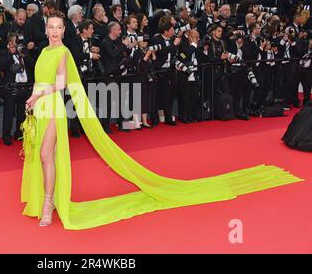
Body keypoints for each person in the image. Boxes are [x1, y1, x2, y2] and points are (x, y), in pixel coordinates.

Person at [20, 11, 302, 230]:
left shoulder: (62, 53)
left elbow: (60, 84)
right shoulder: (43, 52)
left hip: (53, 106)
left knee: (47, 155)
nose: (55, 32)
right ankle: (50, 199)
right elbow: (38, 80)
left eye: (59, 27)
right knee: (44, 157)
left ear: (63, 30)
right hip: (39, 107)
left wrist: (39, 95)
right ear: (46, 29)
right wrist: (32, 101)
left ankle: (49, 204)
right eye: (52, 27)